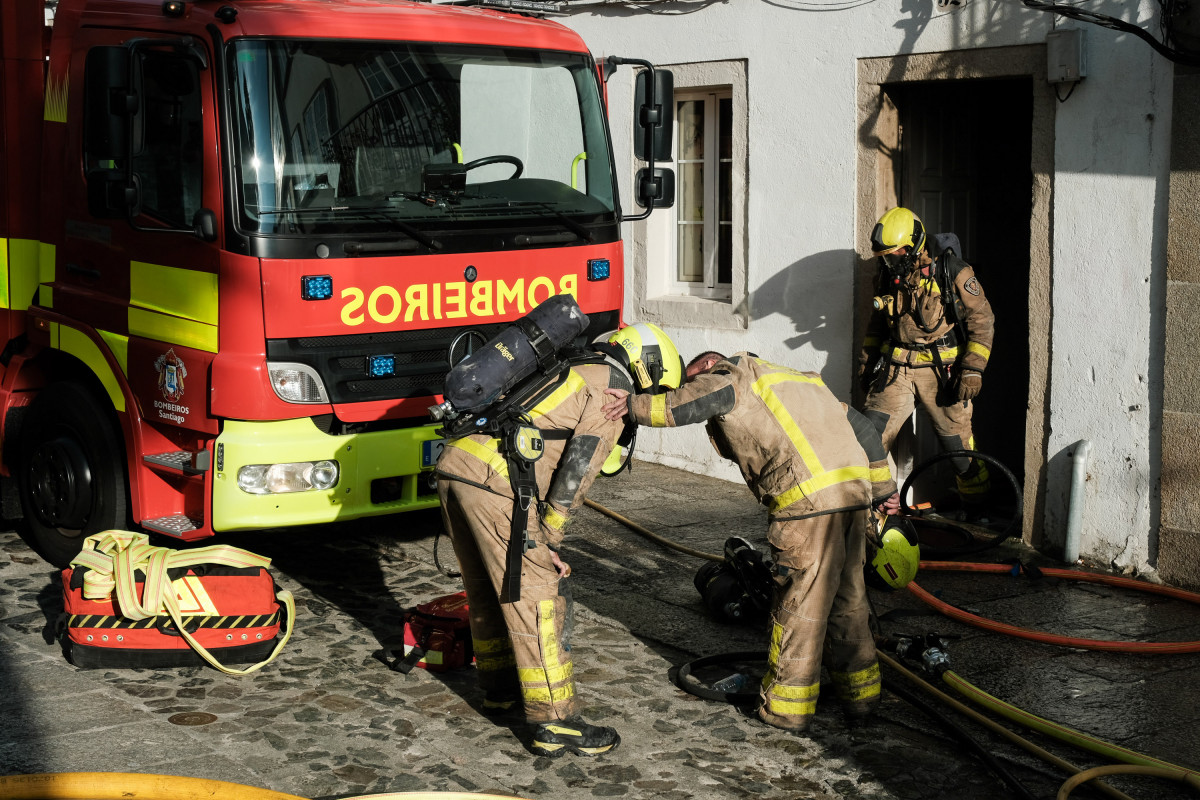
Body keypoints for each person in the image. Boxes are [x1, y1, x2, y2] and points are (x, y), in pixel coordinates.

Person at [602, 351, 900, 732]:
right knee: (849, 602)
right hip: (853, 497)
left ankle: (786, 710)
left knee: (800, 610)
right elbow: (863, 427)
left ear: (709, 365)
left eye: (692, 377)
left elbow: (690, 403)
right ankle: (862, 700)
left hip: (808, 506)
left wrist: (633, 406)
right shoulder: (802, 379)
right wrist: (882, 487)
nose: (692, 385)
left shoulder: (732, 376)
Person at [435, 321, 684, 757]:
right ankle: (554, 721)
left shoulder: (572, 363)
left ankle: (499, 690)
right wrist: (549, 539)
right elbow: (577, 472)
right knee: (537, 595)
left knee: (488, 590)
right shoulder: (613, 391)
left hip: (456, 465)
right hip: (496, 481)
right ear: (650, 368)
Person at [860, 206, 995, 513]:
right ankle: (872, 512)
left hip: (941, 374)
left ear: (915, 244)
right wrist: (866, 361)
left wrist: (973, 368)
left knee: (959, 451)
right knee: (866, 437)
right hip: (895, 371)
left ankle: (979, 510)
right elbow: (876, 324)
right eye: (885, 256)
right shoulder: (887, 275)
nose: (889, 261)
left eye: (895, 254)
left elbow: (982, 319)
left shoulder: (953, 271)